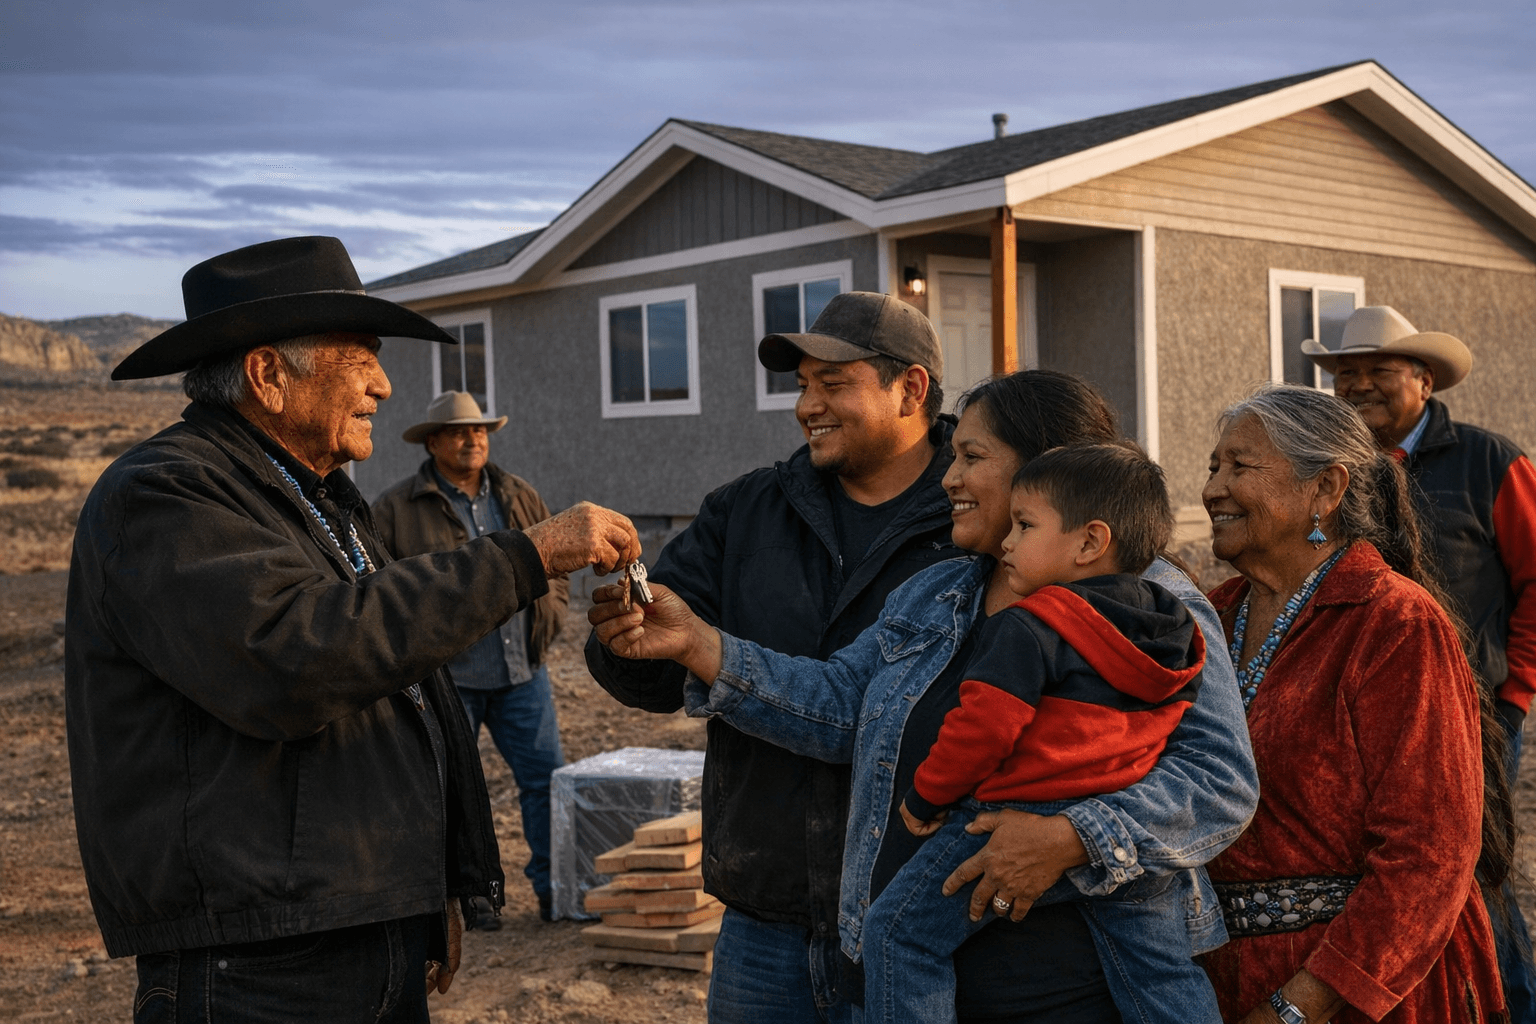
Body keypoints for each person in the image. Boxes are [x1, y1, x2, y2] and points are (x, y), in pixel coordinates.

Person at [69, 236, 640, 1023]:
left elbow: (393, 682)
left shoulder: (317, 498)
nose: (383, 383)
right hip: (259, 963)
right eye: (361, 356)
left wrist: (420, 886)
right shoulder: (169, 493)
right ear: (269, 375)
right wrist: (523, 557)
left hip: (348, 925)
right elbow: (297, 658)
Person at [592, 370, 1258, 1024]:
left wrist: (1072, 838)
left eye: (972, 457)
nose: (949, 478)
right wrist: (699, 645)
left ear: (1049, 471)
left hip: (1080, 987)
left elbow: (1218, 783)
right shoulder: (937, 593)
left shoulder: (1155, 605)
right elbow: (839, 705)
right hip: (915, 988)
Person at [585, 290, 962, 1022]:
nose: (805, 407)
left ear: (910, 388)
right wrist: (626, 641)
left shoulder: (974, 514)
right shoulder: (749, 509)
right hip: (767, 918)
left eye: (833, 383)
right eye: (801, 386)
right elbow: (657, 678)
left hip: (917, 920)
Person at [863, 442, 1210, 1024]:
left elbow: (982, 729)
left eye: (1025, 526)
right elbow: (1176, 720)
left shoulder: (1028, 626)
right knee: (1161, 976)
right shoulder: (1176, 627)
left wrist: (926, 796)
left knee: (898, 936)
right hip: (1118, 832)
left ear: (1090, 542)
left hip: (1012, 822)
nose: (1007, 542)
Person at [1200, 382, 1507, 1023]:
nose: (1211, 489)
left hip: (1362, 992)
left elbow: (1430, 853)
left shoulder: (1392, 622)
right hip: (1225, 981)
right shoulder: (1211, 618)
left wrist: (1299, 1006)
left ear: (1326, 490)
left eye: (1240, 467)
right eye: (1213, 466)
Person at [1305, 305, 1536, 1020]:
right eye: (1347, 374)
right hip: (1361, 717)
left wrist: (1516, 695)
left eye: (1379, 370)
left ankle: (1511, 1007)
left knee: (1473, 873)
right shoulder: (1332, 470)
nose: (1361, 385)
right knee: (1387, 877)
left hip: (1476, 712)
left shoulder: (1490, 460)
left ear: (1424, 379)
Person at [374, 390, 569, 927]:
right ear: (433, 442)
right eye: (459, 432)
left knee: (546, 782)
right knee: (450, 791)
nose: (472, 439)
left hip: (522, 675)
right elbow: (376, 592)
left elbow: (557, 569)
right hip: (449, 679)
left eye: (480, 430)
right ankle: (469, 901)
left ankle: (557, 891)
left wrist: (548, 618)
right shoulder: (395, 509)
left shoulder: (517, 495)